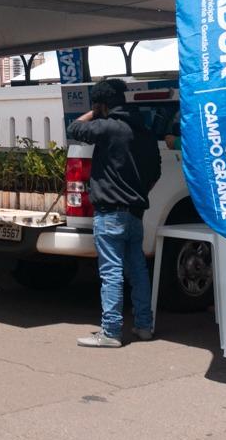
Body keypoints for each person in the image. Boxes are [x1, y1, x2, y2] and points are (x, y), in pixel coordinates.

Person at [67, 78, 161, 348]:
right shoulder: (143, 131)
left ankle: (110, 332)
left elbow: (74, 128)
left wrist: (94, 112)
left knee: (111, 272)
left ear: (101, 104)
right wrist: (138, 191)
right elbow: (155, 171)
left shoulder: (106, 127)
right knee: (138, 271)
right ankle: (144, 326)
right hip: (135, 212)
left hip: (109, 213)